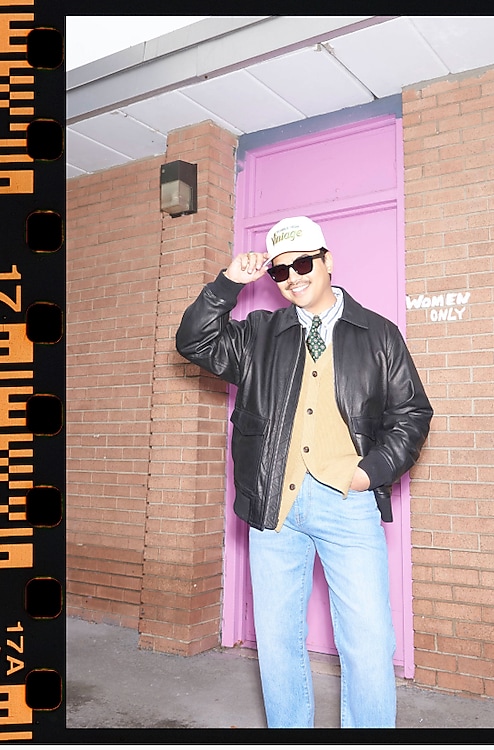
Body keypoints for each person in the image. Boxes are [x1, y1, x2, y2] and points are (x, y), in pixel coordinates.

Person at [176, 216, 433, 728]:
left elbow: (412, 414)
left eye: (302, 264)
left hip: (348, 504)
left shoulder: (378, 333)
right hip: (275, 506)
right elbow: (194, 341)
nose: (292, 277)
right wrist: (228, 282)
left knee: (368, 643)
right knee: (277, 644)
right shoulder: (259, 335)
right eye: (280, 271)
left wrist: (371, 472)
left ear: (326, 260)